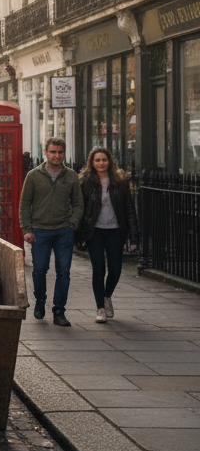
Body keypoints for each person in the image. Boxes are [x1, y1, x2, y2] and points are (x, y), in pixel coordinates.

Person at [19, 137, 84, 327]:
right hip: (40, 231)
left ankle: (59, 311)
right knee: (39, 270)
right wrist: (27, 230)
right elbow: (24, 204)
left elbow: (78, 203)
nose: (57, 156)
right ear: (46, 152)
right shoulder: (33, 175)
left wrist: (72, 224)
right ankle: (40, 300)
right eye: (53, 152)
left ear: (64, 153)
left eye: (60, 152)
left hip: (64, 230)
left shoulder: (71, 176)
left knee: (63, 272)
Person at [77, 148, 138, 324]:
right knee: (98, 269)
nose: (101, 163)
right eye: (97, 160)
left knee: (116, 269)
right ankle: (100, 308)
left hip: (115, 230)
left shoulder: (120, 181)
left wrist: (133, 236)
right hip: (94, 230)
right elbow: (81, 209)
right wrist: (79, 235)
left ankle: (107, 296)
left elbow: (129, 209)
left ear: (110, 161)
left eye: (104, 160)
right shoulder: (86, 182)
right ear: (92, 163)